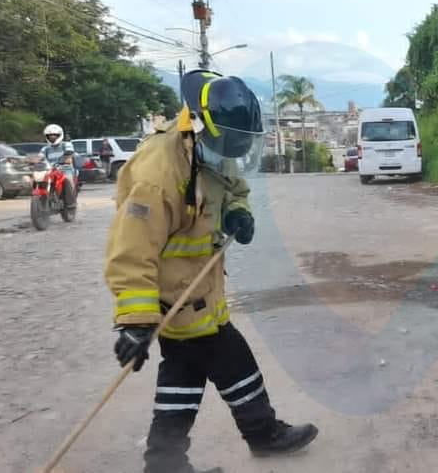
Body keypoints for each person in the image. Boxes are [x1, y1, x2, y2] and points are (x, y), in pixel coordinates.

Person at [105, 70, 318, 473]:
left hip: (203, 288)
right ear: (199, 126)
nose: (232, 155)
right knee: (227, 360)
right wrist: (135, 320)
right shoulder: (158, 176)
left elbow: (235, 187)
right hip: (175, 296)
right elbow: (131, 251)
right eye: (228, 147)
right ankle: (259, 435)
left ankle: (170, 462)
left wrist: (238, 212)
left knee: (190, 373)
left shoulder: (215, 150)